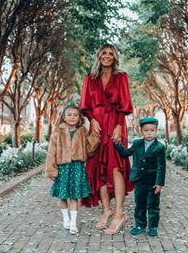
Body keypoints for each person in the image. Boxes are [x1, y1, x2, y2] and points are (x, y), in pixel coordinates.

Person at [80, 43, 133, 235]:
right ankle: (106, 210)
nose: (107, 56)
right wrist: (92, 121)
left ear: (115, 57)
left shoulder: (121, 77)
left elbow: (125, 105)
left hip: (115, 124)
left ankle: (119, 213)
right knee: (99, 168)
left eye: (111, 53)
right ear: (99, 55)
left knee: (116, 167)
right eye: (104, 53)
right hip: (97, 126)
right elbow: (85, 105)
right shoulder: (90, 78)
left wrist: (119, 125)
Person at [45, 103, 100, 235]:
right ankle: (66, 219)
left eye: (75, 115)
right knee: (63, 196)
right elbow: (51, 151)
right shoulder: (57, 131)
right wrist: (51, 169)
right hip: (63, 168)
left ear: (79, 117)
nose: (72, 117)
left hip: (77, 167)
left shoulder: (82, 131)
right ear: (64, 117)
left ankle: (73, 223)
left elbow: (88, 149)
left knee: (75, 196)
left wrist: (95, 139)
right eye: (69, 115)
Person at [114, 117, 166, 237]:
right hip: (140, 181)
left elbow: (161, 166)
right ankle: (140, 225)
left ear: (156, 130)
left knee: (153, 205)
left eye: (152, 130)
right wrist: (117, 144)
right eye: (146, 130)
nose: (149, 133)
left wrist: (159, 183)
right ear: (141, 131)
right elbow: (126, 153)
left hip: (153, 182)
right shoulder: (137, 144)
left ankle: (152, 226)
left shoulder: (160, 147)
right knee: (140, 203)